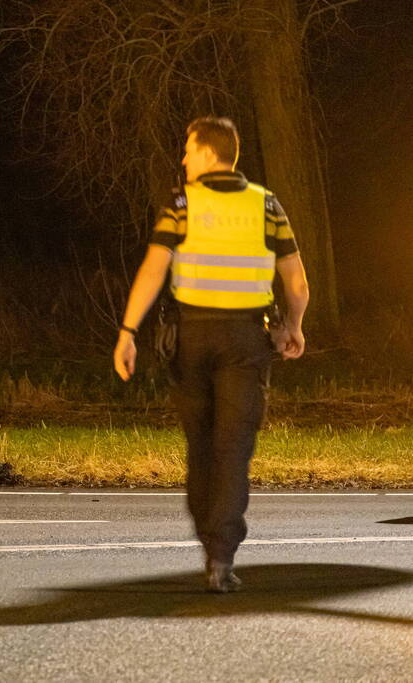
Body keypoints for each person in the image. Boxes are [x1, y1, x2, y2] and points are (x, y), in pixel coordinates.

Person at [113, 117, 310, 593]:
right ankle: (222, 556)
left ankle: (208, 543)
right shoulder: (266, 205)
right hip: (246, 343)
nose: (182, 159)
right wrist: (295, 326)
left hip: (193, 340)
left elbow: (153, 271)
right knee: (233, 450)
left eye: (187, 149)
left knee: (200, 446)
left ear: (207, 153)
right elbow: (297, 281)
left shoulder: (182, 203)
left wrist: (127, 331)